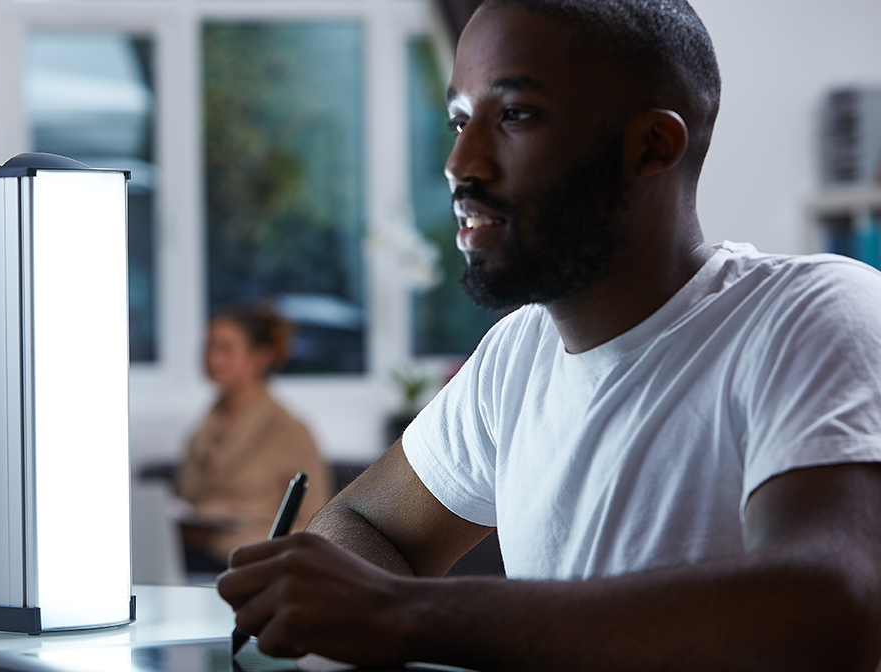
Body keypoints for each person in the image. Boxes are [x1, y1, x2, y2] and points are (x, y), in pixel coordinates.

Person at [216, 1, 881, 669]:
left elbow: (831, 606)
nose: (460, 163)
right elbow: (361, 524)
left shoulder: (813, 312)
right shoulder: (516, 355)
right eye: (458, 120)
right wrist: (369, 606)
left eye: (514, 116)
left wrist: (399, 615)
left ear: (652, 145)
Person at [176, 306, 332, 572]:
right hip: (193, 555)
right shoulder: (204, 428)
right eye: (209, 347)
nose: (212, 358)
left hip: (253, 560)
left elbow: (315, 522)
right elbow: (187, 498)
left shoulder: (290, 430)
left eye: (225, 349)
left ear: (260, 357)